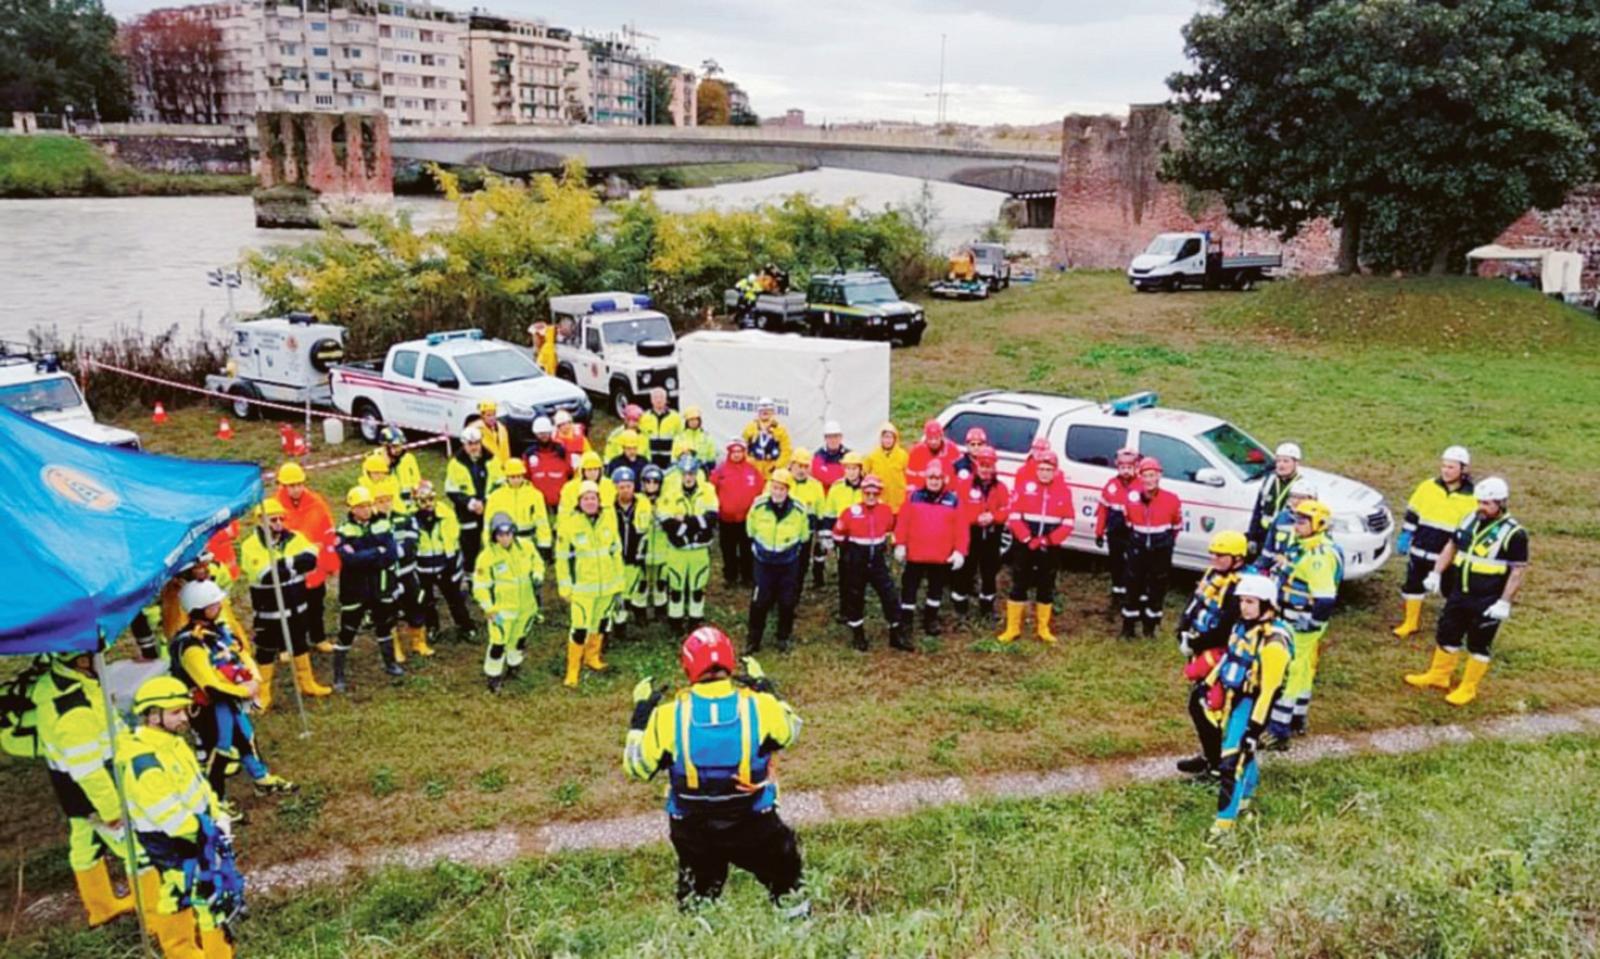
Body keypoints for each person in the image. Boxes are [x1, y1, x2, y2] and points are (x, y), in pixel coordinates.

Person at [623, 627, 806, 912]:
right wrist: (767, 689)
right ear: (731, 663)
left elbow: (637, 766)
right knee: (789, 886)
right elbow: (790, 731)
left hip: (694, 829)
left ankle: (698, 942)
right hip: (755, 822)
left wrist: (639, 719)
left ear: (688, 667)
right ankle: (799, 935)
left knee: (698, 901)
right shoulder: (759, 706)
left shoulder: (667, 716)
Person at [119, 675, 243, 959]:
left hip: (199, 834)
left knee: (202, 897)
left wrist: (216, 811)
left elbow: (200, 785)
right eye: (176, 712)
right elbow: (172, 820)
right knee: (192, 897)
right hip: (175, 845)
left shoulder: (173, 743)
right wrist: (211, 830)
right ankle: (183, 951)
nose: (184, 718)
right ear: (152, 716)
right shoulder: (145, 764)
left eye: (185, 710)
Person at [32, 651, 136, 929]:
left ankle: (101, 907)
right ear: (79, 660)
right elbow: (88, 769)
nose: (101, 659)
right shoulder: (73, 708)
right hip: (93, 792)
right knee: (136, 849)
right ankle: (156, 914)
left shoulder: (56, 683)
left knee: (84, 845)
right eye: (94, 655)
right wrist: (112, 810)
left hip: (70, 789)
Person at [1404, 477, 1528, 706]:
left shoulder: (1514, 533)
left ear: (1501, 503)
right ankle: (1439, 675)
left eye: (1487, 503)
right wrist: (1437, 572)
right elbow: (1452, 545)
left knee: (1478, 642)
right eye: (1479, 501)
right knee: (1447, 632)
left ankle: (1468, 688)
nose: (1481, 507)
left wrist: (1505, 602)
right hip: (1459, 591)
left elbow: (1518, 571)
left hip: (1488, 597)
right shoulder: (1469, 518)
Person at [170, 580, 296, 804]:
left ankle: (261, 779)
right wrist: (243, 691)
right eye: (214, 603)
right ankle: (215, 800)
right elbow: (210, 686)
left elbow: (241, 655)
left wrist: (254, 680)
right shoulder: (190, 645)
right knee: (219, 750)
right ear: (201, 608)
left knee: (246, 737)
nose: (220, 605)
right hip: (209, 707)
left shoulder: (218, 631)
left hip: (232, 700)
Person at [1208, 574, 1293, 839]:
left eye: (1250, 602)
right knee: (1240, 751)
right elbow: (1230, 659)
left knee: (1232, 761)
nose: (1243, 607)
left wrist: (1254, 731)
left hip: (1255, 704)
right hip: (1237, 698)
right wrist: (1209, 683)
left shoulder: (1273, 643)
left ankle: (1223, 825)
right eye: (1242, 601)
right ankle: (1245, 795)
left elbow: (1268, 691)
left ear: (1267, 605)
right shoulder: (1242, 627)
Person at [239, 499, 330, 710]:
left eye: (281, 518)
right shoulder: (249, 546)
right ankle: (263, 693)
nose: (279, 523)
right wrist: (293, 564)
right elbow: (265, 575)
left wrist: (283, 565)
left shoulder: (295, 537)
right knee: (266, 650)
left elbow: (311, 559)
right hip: (268, 611)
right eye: (273, 520)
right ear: (260, 521)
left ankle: (307, 683)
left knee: (300, 643)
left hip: (297, 605)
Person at [1174, 531, 1249, 778]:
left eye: (1221, 555)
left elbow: (1226, 628)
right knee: (1200, 705)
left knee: (1207, 707)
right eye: (1213, 554)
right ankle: (1210, 757)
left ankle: (1217, 766)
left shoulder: (1240, 588)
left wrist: (1195, 643)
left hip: (1221, 656)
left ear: (1237, 558)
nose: (1215, 559)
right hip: (1202, 647)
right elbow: (1196, 602)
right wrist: (1183, 628)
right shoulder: (1214, 576)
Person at [1266, 500, 1340, 741]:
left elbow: (1325, 598)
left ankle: (1279, 728)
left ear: (1318, 524)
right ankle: (1297, 717)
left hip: (1301, 620)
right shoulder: (1304, 546)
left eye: (1302, 521)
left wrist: (1313, 624)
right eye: (1296, 519)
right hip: (1294, 617)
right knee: (1305, 668)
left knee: (1291, 670)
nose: (1296, 525)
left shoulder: (1317, 556)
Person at [1393, 446, 1477, 639]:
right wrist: (1406, 534)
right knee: (1413, 585)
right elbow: (1413, 513)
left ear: (1463, 469)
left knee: (1451, 591)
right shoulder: (1427, 487)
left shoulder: (1472, 497)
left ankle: (1451, 625)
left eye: (1451, 467)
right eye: (1444, 466)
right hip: (1421, 548)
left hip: (1449, 555)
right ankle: (1410, 622)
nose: (1446, 470)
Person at [999, 451, 1074, 644]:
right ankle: (1012, 628)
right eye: (1041, 469)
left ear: (1056, 471)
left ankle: (1043, 629)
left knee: (1046, 585)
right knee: (1019, 583)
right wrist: (1026, 538)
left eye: (1049, 469)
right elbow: (1014, 516)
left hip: (1050, 546)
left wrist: (1049, 540)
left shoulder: (1064, 491)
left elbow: (1068, 522)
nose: (1044, 473)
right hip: (1025, 544)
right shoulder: (1024, 487)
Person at [334, 486, 402, 690]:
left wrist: (365, 555)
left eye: (367, 505)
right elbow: (349, 559)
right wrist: (375, 552)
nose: (365, 510)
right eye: (360, 507)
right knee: (347, 630)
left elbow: (391, 554)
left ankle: (390, 663)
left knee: (384, 624)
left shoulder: (383, 524)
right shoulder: (344, 530)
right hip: (354, 589)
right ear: (352, 509)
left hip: (380, 586)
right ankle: (339, 675)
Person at [556, 482, 624, 687]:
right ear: (579, 502)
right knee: (579, 628)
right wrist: (565, 587)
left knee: (601, 624)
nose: (590, 502)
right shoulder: (569, 525)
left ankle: (592, 657)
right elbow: (562, 559)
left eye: (593, 498)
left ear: (599, 500)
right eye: (585, 498)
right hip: (582, 589)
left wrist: (619, 583)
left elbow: (616, 553)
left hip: (607, 587)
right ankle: (572, 670)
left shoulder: (608, 521)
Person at [832, 474, 909, 651]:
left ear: (880, 493)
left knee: (889, 594)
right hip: (856, 559)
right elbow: (838, 534)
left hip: (877, 559)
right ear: (862, 493)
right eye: (868, 493)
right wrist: (847, 554)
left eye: (875, 493)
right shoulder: (850, 512)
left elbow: (890, 531)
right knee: (855, 596)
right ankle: (858, 634)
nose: (871, 497)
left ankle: (896, 634)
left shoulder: (886, 511)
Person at [894, 461, 968, 637]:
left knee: (936, 588)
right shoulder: (913, 497)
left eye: (938, 478)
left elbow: (961, 528)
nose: (934, 482)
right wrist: (900, 544)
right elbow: (903, 523)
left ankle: (931, 618)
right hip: (915, 555)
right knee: (909, 587)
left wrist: (960, 551)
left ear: (944, 480)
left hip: (940, 556)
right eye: (931, 478)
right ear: (925, 479)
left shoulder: (953, 500)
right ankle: (906, 618)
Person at [474, 512, 545, 693]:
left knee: (519, 639)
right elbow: (480, 586)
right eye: (500, 535)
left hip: (526, 606)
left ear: (513, 532)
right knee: (498, 644)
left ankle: (514, 665)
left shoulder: (526, 547)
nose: (505, 538)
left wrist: (538, 574)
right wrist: (488, 607)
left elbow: (538, 563)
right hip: (501, 611)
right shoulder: (487, 556)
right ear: (494, 535)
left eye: (508, 534)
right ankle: (493, 675)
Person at [274, 461, 340, 654]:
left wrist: (331, 564)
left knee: (316, 605)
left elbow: (328, 534)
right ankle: (287, 646)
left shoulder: (317, 503)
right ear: (282, 486)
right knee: (288, 609)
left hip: (314, 568)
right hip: (290, 569)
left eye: (298, 484)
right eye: (291, 486)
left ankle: (318, 637)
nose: (296, 489)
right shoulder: (275, 508)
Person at [746, 469, 811, 653]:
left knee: (787, 601)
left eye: (782, 489)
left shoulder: (799, 509)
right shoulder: (758, 505)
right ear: (770, 487)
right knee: (760, 601)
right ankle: (753, 640)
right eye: (775, 488)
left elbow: (804, 535)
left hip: (787, 562)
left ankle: (783, 637)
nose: (778, 492)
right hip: (763, 561)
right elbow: (750, 529)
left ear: (788, 490)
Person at [1122, 457, 1183, 639]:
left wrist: (1164, 542)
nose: (1149, 479)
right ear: (1139, 477)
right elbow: (1127, 523)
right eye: (1145, 475)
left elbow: (1176, 526)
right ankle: (1129, 628)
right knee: (1133, 585)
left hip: (1161, 547)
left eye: (1152, 475)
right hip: (1138, 546)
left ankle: (1151, 627)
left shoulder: (1171, 499)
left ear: (1159, 476)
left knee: (1158, 587)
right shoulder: (1131, 498)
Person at [656, 456, 720, 630]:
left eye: (692, 473)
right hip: (678, 550)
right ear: (680, 474)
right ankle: (675, 621)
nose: (688, 477)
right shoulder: (670, 492)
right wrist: (695, 525)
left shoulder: (707, 490)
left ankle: (695, 620)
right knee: (676, 587)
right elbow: (666, 521)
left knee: (697, 587)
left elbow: (712, 518)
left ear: (697, 473)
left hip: (699, 549)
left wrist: (684, 520)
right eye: (685, 474)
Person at [951, 447, 1010, 622]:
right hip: (971, 533)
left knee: (989, 572)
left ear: (994, 467)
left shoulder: (1001, 488)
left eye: (989, 466)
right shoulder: (965, 485)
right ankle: (960, 608)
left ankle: (987, 608)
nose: (985, 470)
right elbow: (958, 511)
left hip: (992, 534)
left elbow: (1007, 509)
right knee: (965, 571)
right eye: (982, 465)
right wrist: (976, 519)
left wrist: (994, 516)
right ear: (977, 466)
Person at [412, 481, 476, 641]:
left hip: (446, 566)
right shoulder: (410, 520)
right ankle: (432, 627)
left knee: (454, 598)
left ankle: (466, 626)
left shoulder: (446, 515)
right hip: (423, 568)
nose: (428, 504)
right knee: (427, 601)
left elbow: (452, 542)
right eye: (423, 501)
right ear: (416, 501)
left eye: (431, 499)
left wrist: (453, 567)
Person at [445, 425, 501, 579]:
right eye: (470, 444)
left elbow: (499, 483)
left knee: (494, 541)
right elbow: (451, 490)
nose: (474, 447)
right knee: (470, 544)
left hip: (490, 508)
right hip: (467, 512)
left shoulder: (491, 459)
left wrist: (485, 502)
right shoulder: (456, 463)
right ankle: (470, 576)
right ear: (464, 444)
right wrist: (470, 503)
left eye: (477, 443)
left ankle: (494, 573)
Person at [1093, 448, 1141, 614]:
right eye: (1122, 467)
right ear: (1117, 467)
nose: (1126, 471)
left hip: (1133, 533)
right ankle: (1117, 594)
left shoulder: (1141, 486)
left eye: (1129, 467)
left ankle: (1133, 595)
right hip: (1115, 532)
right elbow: (1102, 510)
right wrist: (1099, 532)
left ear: (1136, 467)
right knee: (1116, 563)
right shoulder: (1111, 485)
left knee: (1133, 564)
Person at [710, 440, 763, 587]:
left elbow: (761, 490)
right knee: (728, 549)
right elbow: (711, 492)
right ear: (729, 453)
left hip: (747, 519)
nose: (737, 455)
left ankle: (748, 576)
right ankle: (730, 577)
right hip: (726, 519)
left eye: (740, 452)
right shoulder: (720, 471)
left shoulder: (752, 470)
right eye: (734, 452)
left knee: (747, 549)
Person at [611, 466, 654, 638]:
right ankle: (619, 626)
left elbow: (646, 529)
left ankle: (639, 613)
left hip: (637, 554)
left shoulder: (642, 504)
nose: (626, 490)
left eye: (628, 486)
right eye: (621, 487)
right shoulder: (610, 507)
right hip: (618, 556)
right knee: (619, 593)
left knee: (639, 586)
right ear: (615, 487)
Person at [483, 458, 553, 555]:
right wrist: (488, 544)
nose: (516, 480)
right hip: (504, 542)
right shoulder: (495, 496)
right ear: (506, 476)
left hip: (528, 542)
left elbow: (541, 521)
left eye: (519, 476)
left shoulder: (535, 495)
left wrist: (544, 544)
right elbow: (488, 523)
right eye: (512, 477)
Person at [1247, 442, 1303, 558]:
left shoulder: (1301, 485)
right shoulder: (1270, 480)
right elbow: (1258, 510)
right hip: (1264, 535)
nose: (1281, 465)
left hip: (1284, 538)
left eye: (1286, 461)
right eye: (1278, 461)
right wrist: (1252, 536)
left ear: (1296, 463)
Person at [1252, 479, 1317, 573]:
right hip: (1277, 572)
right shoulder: (1281, 518)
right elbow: (1268, 550)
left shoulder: (1317, 521)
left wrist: (1287, 563)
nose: (1296, 501)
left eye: (1302, 497)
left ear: (1313, 499)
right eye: (1293, 496)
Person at [785, 450, 828, 590]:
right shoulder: (781, 481)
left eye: (805, 467)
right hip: (783, 533)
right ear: (791, 466)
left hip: (805, 534)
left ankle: (795, 593)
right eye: (799, 466)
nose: (802, 471)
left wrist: (821, 533)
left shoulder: (816, 486)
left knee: (801, 565)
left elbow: (821, 511)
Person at [639, 465, 670, 623]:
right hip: (643, 551)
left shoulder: (665, 501)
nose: (651, 485)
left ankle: (660, 608)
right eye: (648, 482)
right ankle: (640, 611)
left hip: (661, 550)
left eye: (655, 482)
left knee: (660, 582)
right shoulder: (638, 500)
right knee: (642, 582)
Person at [524, 416, 573, 515]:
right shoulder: (529, 455)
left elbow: (570, 474)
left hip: (562, 504)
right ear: (535, 434)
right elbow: (526, 479)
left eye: (545, 433)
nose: (543, 436)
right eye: (540, 433)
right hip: (539, 506)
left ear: (550, 432)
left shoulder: (562, 452)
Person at [863, 421, 909, 513]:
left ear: (895, 438)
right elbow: (864, 474)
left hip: (898, 503)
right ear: (881, 438)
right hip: (879, 502)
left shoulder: (903, 455)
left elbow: (908, 476)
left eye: (890, 437)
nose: (887, 440)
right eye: (885, 437)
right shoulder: (872, 456)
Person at [741, 397, 791, 481]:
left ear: (772, 412)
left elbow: (786, 451)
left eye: (768, 410)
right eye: (762, 410)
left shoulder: (780, 430)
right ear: (758, 412)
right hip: (753, 472)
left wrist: (776, 466)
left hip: (772, 473)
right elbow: (743, 448)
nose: (765, 412)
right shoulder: (750, 428)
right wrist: (749, 463)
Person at [905, 419, 959, 492]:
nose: (933, 442)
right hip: (922, 493)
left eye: (936, 438)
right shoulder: (917, 451)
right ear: (926, 437)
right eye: (930, 438)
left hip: (945, 494)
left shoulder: (952, 450)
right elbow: (909, 477)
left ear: (942, 436)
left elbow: (958, 476)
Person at [559, 450, 618, 516]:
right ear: (582, 471)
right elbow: (564, 511)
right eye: (589, 470)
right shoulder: (569, 488)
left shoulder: (609, 485)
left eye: (596, 469)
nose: (593, 473)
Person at [380, 424, 421, 512]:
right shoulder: (376, 463)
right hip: (389, 508)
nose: (399, 449)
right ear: (385, 447)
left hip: (410, 506)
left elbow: (417, 481)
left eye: (401, 445)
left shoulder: (409, 458)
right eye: (395, 446)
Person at [638, 387, 683, 469]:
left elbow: (680, 437)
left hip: (670, 459)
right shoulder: (644, 417)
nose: (658, 400)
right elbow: (642, 439)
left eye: (661, 397)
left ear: (666, 400)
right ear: (651, 400)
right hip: (650, 459)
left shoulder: (675, 417)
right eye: (655, 397)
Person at [811, 421, 850, 491]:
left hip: (843, 493)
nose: (833, 440)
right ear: (825, 438)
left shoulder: (849, 455)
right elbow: (817, 476)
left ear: (841, 437)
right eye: (830, 437)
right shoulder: (818, 455)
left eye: (835, 436)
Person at [475, 400, 513, 468]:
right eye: (488, 415)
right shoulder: (476, 429)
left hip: (502, 467)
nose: (492, 418)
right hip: (486, 467)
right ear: (482, 416)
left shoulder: (502, 429)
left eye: (493, 415)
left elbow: (506, 451)